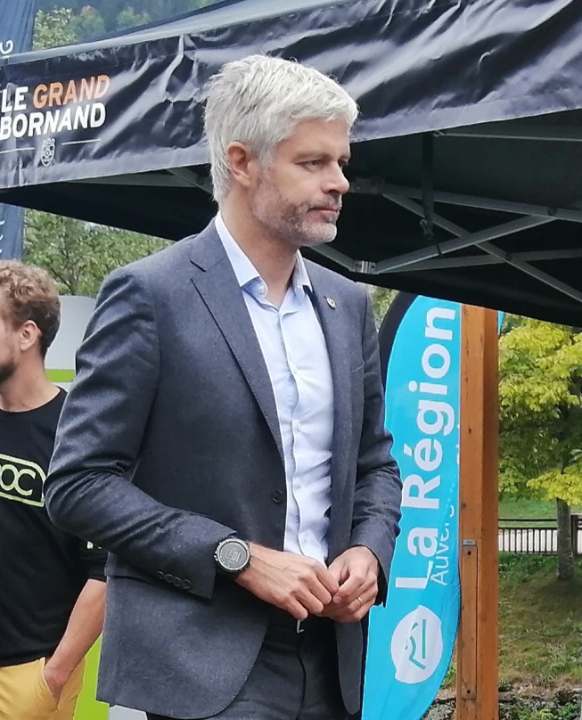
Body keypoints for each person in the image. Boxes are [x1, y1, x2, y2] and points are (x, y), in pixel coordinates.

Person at [45, 55, 403, 720]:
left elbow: (375, 465)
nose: (340, 183)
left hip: (331, 656)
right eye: (314, 162)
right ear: (241, 162)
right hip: (203, 663)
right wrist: (234, 555)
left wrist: (369, 552)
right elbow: (79, 484)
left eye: (341, 162)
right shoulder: (150, 295)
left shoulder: (347, 304)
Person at [0, 260, 106, 720]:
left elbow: (105, 571)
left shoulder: (78, 436)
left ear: (27, 335)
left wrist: (53, 675)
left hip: (29, 673)